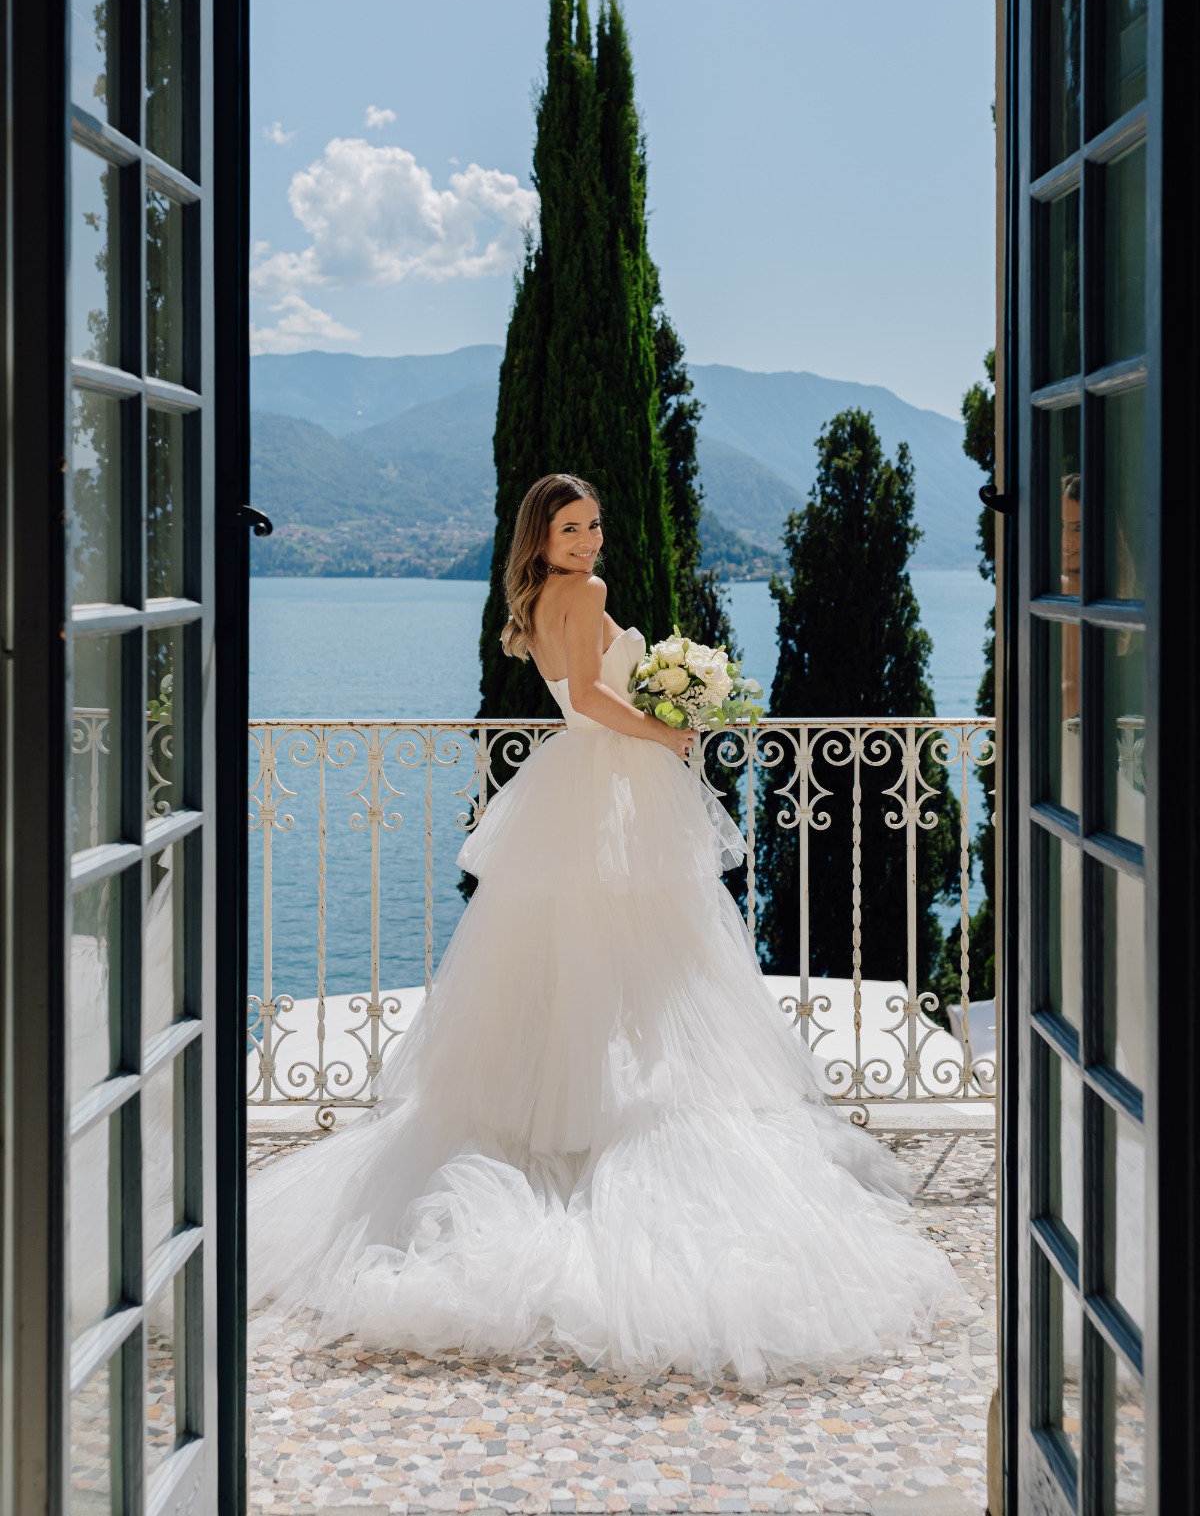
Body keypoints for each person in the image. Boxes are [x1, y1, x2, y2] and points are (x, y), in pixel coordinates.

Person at [249, 472, 961, 1385]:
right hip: (606, 787)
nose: (588, 542)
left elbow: (574, 690)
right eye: (570, 528)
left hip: (572, 792)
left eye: (594, 525)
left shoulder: (543, 599)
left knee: (574, 966)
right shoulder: (580, 594)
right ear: (540, 539)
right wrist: (669, 733)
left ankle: (556, 1124)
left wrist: (663, 713)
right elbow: (587, 699)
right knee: (642, 971)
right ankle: (608, 1132)